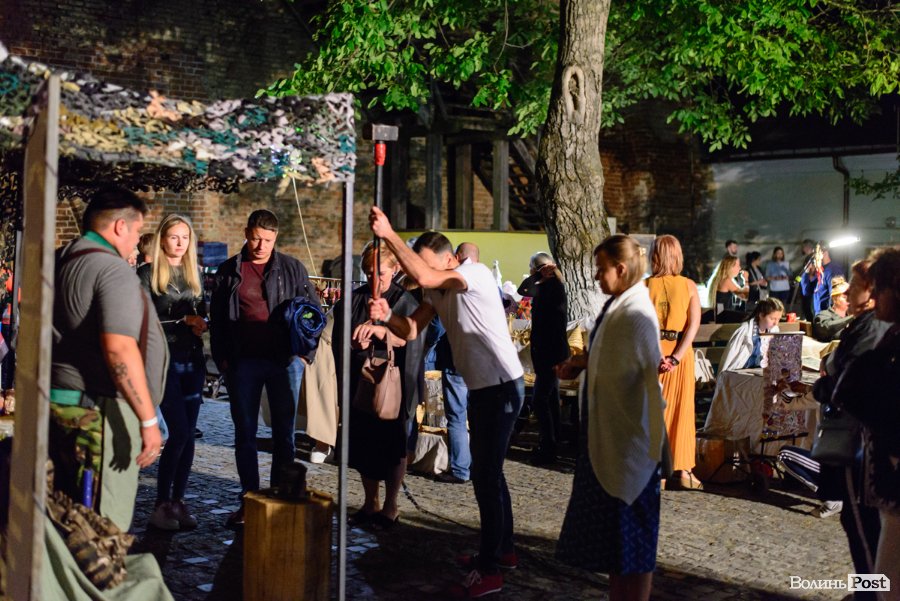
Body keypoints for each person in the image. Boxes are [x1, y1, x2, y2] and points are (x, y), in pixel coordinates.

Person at [367, 207, 523, 598]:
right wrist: (386, 317)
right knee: (491, 473)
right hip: (484, 387)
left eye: (428, 264)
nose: (422, 273)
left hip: (502, 386)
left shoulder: (473, 274)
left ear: (450, 259)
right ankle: (502, 551)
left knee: (485, 476)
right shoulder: (438, 290)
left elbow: (423, 276)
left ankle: (490, 570)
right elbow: (411, 329)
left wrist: (388, 234)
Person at [50, 186, 168, 529]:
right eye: (137, 231)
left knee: (65, 518)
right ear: (119, 226)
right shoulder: (111, 270)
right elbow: (119, 348)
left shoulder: (61, 259)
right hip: (98, 413)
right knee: (102, 526)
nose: (137, 241)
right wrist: (148, 420)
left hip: (62, 404)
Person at [555, 234, 665, 601]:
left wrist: (648, 445)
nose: (597, 276)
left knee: (634, 540)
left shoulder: (637, 314)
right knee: (617, 544)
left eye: (601, 269)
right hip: (609, 439)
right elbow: (611, 356)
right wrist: (579, 363)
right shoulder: (619, 306)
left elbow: (644, 377)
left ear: (620, 269)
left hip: (629, 443)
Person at [209, 209, 320, 527]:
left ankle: (279, 499)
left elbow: (313, 313)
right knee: (244, 433)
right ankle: (250, 500)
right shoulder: (229, 270)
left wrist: (305, 354)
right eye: (256, 238)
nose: (261, 246)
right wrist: (223, 359)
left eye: (268, 240)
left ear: (276, 238)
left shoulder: (292, 268)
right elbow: (217, 319)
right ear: (246, 233)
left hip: (284, 361)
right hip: (242, 361)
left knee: (284, 435)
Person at [336, 242, 425, 527]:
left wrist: (382, 333)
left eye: (381, 273)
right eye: (368, 273)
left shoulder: (405, 302)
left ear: (395, 270)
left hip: (395, 385)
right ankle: (370, 501)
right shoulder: (355, 299)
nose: (375, 280)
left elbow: (411, 340)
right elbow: (341, 339)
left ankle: (391, 505)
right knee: (364, 442)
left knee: (393, 445)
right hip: (362, 382)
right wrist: (355, 342)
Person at [834, 247, 900, 601]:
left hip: (887, 466)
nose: (874, 295)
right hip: (883, 464)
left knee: (881, 556)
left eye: (878, 287)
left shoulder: (885, 336)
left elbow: (851, 389)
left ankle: (868, 594)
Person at [138, 214, 208, 531]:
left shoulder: (195, 273)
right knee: (178, 431)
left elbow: (202, 312)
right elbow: (143, 320)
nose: (180, 243)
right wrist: (182, 321)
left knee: (188, 434)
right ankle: (162, 503)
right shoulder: (147, 274)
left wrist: (202, 323)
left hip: (191, 360)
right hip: (162, 361)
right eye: (174, 237)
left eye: (185, 237)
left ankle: (178, 500)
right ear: (162, 239)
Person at [646, 235, 703, 491]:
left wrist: (659, 355)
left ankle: (657, 472)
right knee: (682, 413)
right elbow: (693, 326)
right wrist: (676, 357)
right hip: (680, 354)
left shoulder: (644, 286)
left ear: (655, 256)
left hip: (653, 354)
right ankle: (684, 470)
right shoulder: (689, 286)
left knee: (655, 413)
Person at [517, 251, 570, 465]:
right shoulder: (545, 286)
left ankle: (549, 445)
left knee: (540, 400)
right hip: (548, 352)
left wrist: (542, 274)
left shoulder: (553, 287)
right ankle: (552, 441)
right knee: (550, 399)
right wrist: (540, 275)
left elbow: (525, 290)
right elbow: (524, 290)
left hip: (551, 353)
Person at [717, 297, 784, 373]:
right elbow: (729, 356)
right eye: (772, 319)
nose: (776, 323)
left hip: (761, 372)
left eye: (778, 319)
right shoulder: (745, 331)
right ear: (761, 315)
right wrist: (722, 376)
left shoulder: (774, 330)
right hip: (741, 373)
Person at [800, 247, 844, 318]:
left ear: (823, 253)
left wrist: (831, 316)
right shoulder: (820, 272)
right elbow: (806, 292)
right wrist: (806, 272)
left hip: (828, 316)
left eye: (815, 256)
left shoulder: (832, 270)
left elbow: (835, 295)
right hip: (819, 315)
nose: (814, 260)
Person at [812, 276, 853, 342]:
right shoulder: (822, 316)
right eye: (844, 297)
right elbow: (826, 328)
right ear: (834, 298)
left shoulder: (850, 317)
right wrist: (853, 317)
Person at [708, 255, 748, 321]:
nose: (740, 268)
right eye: (738, 265)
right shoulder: (726, 281)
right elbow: (745, 296)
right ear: (730, 267)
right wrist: (746, 278)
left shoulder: (722, 279)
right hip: (723, 316)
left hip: (721, 314)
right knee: (748, 317)